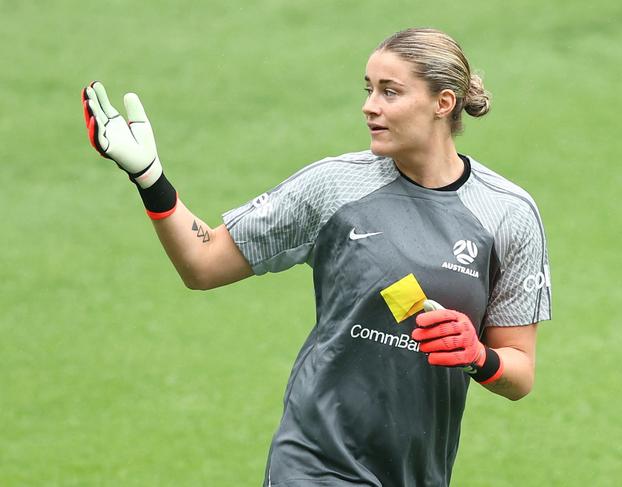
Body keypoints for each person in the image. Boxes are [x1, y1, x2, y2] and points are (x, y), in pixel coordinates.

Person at [81, 27, 551, 487]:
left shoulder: (506, 215)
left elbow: (520, 372)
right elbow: (204, 263)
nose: (370, 106)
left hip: (415, 469)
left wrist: (478, 357)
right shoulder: (334, 187)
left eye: (390, 92)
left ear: (442, 103)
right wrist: (149, 176)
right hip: (315, 460)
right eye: (368, 89)